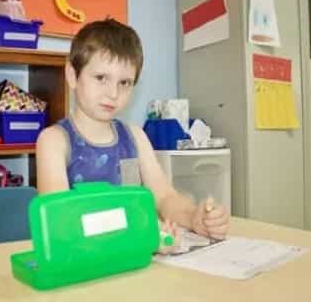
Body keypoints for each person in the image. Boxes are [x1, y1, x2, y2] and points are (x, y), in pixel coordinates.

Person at [36, 18, 229, 249]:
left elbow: (164, 197)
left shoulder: (135, 137)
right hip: (83, 269)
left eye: (125, 82)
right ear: (72, 75)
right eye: (101, 78)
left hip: (132, 267)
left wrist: (194, 217)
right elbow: (61, 221)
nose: (113, 93)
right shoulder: (54, 141)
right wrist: (140, 237)